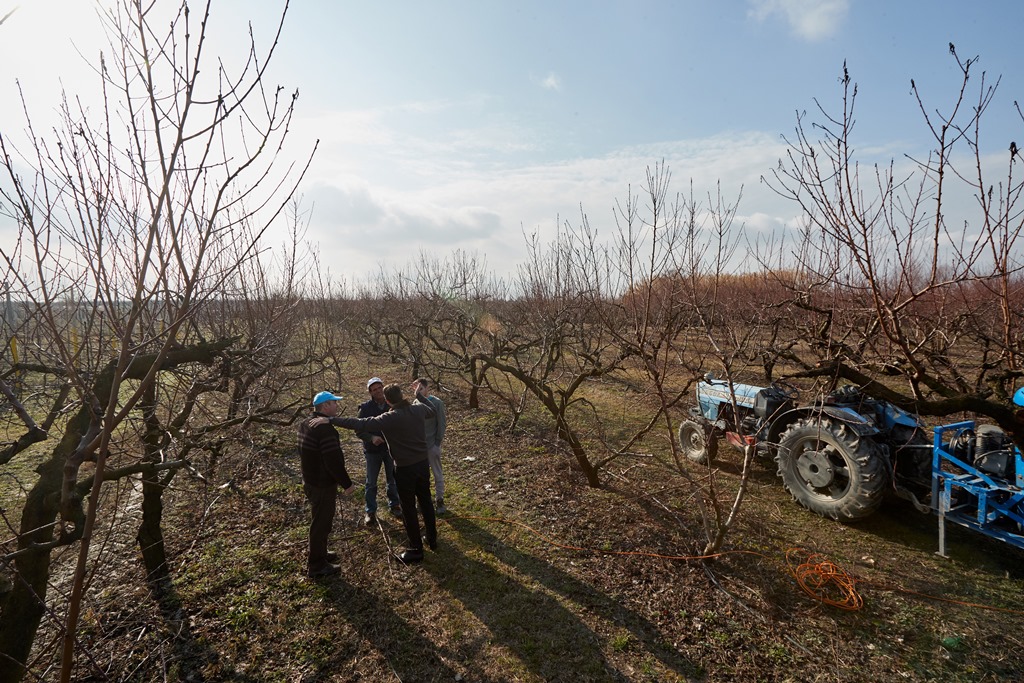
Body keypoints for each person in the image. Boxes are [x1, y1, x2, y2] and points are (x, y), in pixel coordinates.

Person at [331, 383, 437, 564]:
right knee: (426, 501)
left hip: (404, 469)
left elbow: (360, 423)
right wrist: (419, 395)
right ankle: (432, 539)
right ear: (402, 395)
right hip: (422, 465)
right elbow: (432, 410)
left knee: (408, 508)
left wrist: (332, 420)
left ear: (388, 401)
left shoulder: (389, 417)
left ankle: (415, 550)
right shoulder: (418, 410)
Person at [297, 391, 355, 578]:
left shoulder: (304, 424)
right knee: (321, 524)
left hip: (310, 481)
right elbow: (333, 462)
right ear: (325, 406)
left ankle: (320, 553)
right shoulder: (326, 430)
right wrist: (347, 484)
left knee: (320, 520)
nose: (337, 406)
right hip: (321, 485)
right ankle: (316, 565)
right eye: (334, 403)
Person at [358, 377, 402, 526]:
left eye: (379, 388)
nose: (378, 391)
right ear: (370, 392)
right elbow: (358, 430)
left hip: (390, 450)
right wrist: (371, 438)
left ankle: (395, 504)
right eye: (374, 389)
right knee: (371, 482)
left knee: (393, 479)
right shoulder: (365, 408)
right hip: (372, 451)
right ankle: (370, 511)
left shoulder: (392, 405)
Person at [412, 377, 448, 514]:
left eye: (421, 388)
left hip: (432, 445)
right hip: (419, 447)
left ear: (427, 389)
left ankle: (440, 500)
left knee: (437, 473)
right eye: (417, 388)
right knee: (421, 476)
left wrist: (437, 442)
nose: (419, 391)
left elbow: (442, 422)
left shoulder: (437, 403)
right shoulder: (415, 403)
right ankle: (423, 501)